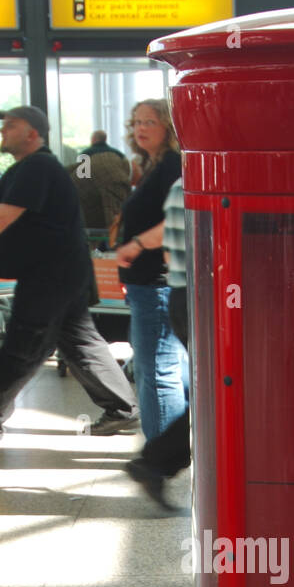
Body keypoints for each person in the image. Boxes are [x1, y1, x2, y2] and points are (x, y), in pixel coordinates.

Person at [0, 104, 139, 444]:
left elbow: (1, 218)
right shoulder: (22, 169)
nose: (3, 131)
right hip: (62, 272)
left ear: (32, 134)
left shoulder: (39, 167)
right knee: (80, 341)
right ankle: (122, 410)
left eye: (10, 126)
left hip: (51, 275)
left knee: (22, 345)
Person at [115, 99, 188, 442]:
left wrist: (137, 244)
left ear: (169, 128)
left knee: (157, 370)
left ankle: (160, 455)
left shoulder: (172, 165)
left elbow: (179, 217)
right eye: (136, 123)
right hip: (150, 283)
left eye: (150, 122)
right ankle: (177, 446)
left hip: (156, 282)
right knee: (167, 367)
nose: (140, 129)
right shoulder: (154, 164)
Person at [126, 178, 190, 509]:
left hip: (181, 293)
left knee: (208, 391)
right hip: (196, 297)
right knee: (221, 396)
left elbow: (168, 248)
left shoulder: (178, 182)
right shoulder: (196, 181)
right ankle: (155, 461)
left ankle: (156, 461)